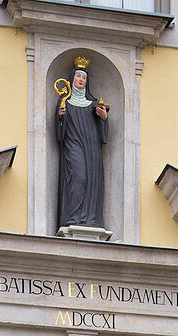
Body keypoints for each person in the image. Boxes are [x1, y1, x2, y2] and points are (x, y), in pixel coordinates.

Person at [55, 60, 109, 231]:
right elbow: (59, 133)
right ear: (72, 79)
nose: (81, 80)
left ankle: (89, 217)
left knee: (92, 180)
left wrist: (103, 118)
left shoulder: (93, 104)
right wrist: (61, 118)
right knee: (79, 177)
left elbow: (103, 134)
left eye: (84, 77)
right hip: (73, 144)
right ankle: (73, 216)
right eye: (78, 76)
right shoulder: (65, 102)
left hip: (91, 148)